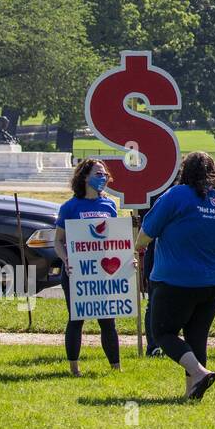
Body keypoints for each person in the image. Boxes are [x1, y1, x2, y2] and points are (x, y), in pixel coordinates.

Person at [136, 152, 215, 400]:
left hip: (175, 279)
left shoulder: (177, 195)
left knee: (163, 333)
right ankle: (191, 393)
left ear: (185, 172)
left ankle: (198, 371)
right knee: (197, 337)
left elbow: (146, 233)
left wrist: (138, 245)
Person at [54, 159, 121, 376]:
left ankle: (115, 368)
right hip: (76, 274)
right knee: (76, 319)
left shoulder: (109, 205)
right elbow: (58, 241)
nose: (102, 177)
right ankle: (74, 369)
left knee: (107, 321)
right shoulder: (69, 207)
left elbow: (116, 239)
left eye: (104, 174)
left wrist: (127, 259)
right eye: (97, 173)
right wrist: (66, 260)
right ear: (84, 177)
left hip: (103, 273)